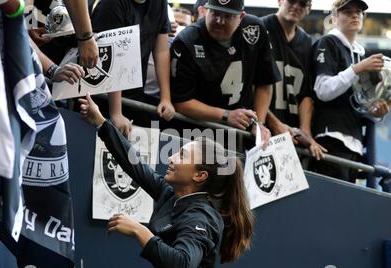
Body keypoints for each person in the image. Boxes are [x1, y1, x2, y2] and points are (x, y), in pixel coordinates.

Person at [79, 93, 255, 268]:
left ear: (200, 175)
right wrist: (100, 121)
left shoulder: (201, 218)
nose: (170, 158)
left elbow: (180, 266)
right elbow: (134, 164)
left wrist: (139, 230)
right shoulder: (171, 195)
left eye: (181, 156)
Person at [170, 0, 280, 147]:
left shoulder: (254, 30)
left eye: (227, 16)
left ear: (241, 17)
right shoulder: (187, 41)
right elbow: (181, 101)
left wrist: (258, 123)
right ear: (205, 10)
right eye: (215, 13)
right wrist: (226, 115)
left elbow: (264, 83)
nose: (219, 21)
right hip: (194, 133)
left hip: (237, 133)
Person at [311, 0, 390, 182]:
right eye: (347, 11)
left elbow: (359, 103)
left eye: (359, 11)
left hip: (353, 143)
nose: (355, 15)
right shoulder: (328, 42)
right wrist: (357, 69)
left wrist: (376, 112)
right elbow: (322, 90)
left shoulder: (360, 54)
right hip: (331, 138)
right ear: (334, 17)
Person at [91, 0, 175, 136]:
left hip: (133, 93)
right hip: (101, 95)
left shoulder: (160, 3)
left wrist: (165, 98)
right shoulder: (111, 4)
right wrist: (116, 113)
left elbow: (161, 50)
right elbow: (114, 55)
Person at [261, 0, 327, 161]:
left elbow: (305, 93)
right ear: (279, 1)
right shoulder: (259, 28)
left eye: (303, 3)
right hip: (260, 130)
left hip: (291, 137)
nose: (296, 6)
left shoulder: (306, 42)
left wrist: (305, 132)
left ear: (309, 9)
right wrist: (274, 124)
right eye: (292, 0)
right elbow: (250, 87)